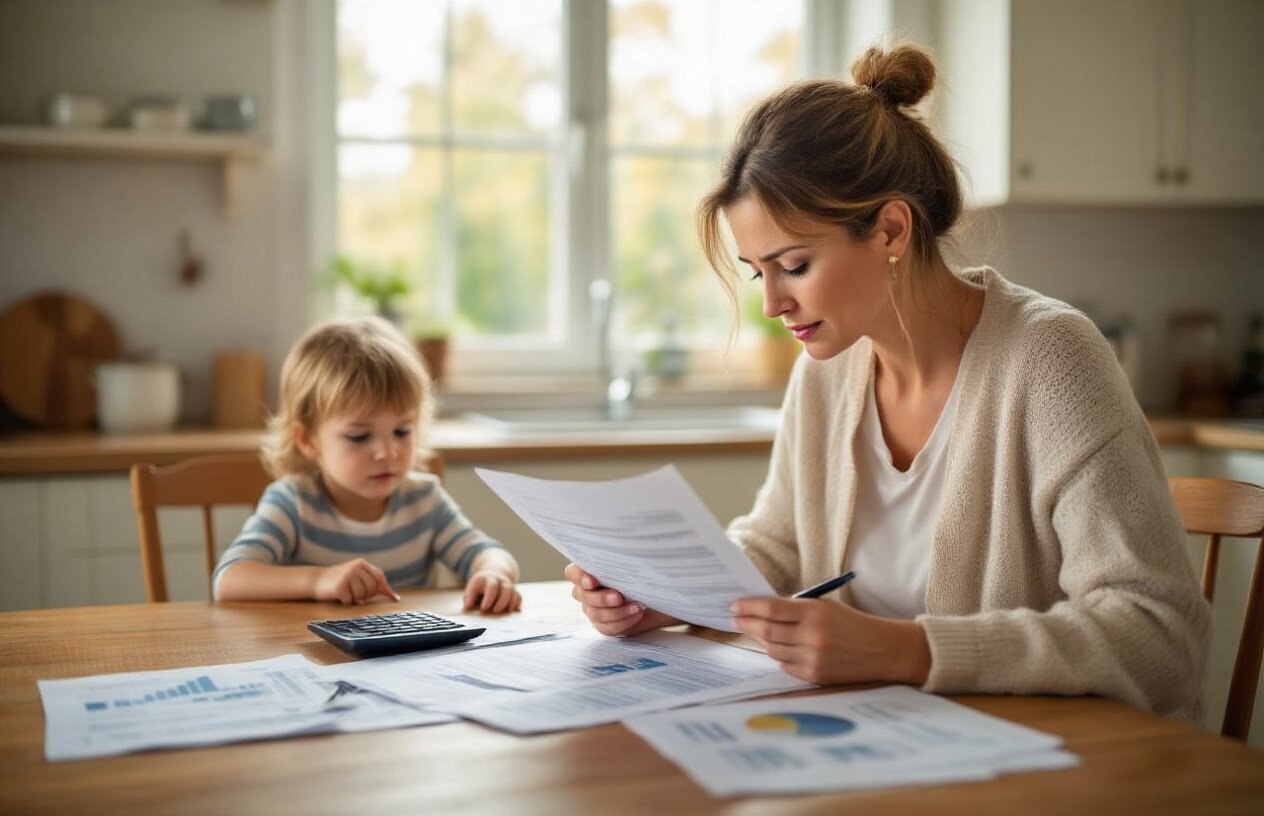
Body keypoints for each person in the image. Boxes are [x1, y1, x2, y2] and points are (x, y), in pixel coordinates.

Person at [566, 44, 1210, 720]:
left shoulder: (1050, 359)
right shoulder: (829, 370)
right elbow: (778, 547)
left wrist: (908, 650)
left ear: (891, 229)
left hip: (1045, 765)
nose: (773, 304)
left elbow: (1159, 636)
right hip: (875, 743)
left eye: (795, 264)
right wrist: (663, 596)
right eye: (760, 272)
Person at [214, 316, 521, 612]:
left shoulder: (424, 500)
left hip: (408, 657)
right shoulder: (293, 503)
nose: (387, 452)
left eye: (402, 431)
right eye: (360, 437)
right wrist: (319, 580)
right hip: (320, 657)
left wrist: (494, 573)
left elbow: (487, 553)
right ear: (308, 440)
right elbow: (229, 579)